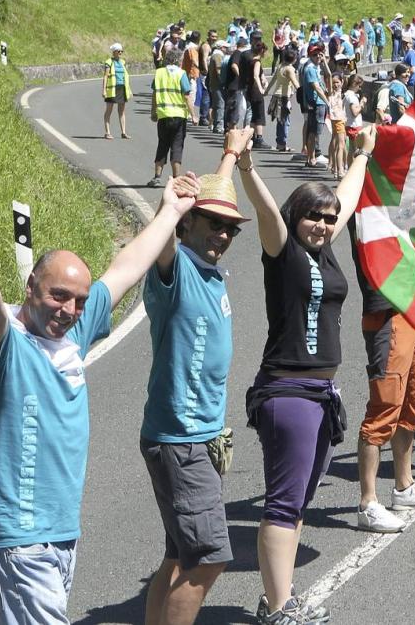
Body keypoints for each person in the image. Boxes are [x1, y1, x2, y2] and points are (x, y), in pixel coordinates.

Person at [0, 176, 201, 625]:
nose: (69, 310)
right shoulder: (9, 345)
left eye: (78, 301)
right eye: (58, 296)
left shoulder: (75, 331)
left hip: (59, 533)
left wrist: (170, 211)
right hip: (20, 535)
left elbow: (125, 269)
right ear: (31, 285)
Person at [237, 126, 371, 625]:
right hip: (288, 391)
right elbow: (268, 214)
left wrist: (362, 155)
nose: (322, 223)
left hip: (319, 393)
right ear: (298, 217)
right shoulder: (284, 251)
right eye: (313, 215)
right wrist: (247, 166)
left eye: (328, 218)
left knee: (296, 503)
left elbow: (348, 200)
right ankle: (277, 608)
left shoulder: (324, 247)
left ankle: (281, 597)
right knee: (283, 502)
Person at [141, 136, 252, 625]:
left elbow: (217, 194)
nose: (223, 235)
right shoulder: (177, 267)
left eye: (230, 229)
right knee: (208, 558)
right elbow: (162, 245)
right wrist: (171, 206)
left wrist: (229, 154)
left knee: (180, 556)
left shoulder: (209, 270)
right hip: (182, 438)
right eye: (214, 224)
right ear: (187, 223)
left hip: (198, 438)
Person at [351, 118, 415, 535]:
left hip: (409, 311)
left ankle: (405, 485)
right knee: (383, 409)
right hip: (385, 316)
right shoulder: (364, 207)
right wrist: (363, 151)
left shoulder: (394, 214)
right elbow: (354, 183)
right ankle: (367, 502)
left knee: (413, 404)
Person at [150, 48, 196, 188]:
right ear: (178, 60)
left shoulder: (159, 73)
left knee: (162, 144)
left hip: (163, 115)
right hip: (179, 116)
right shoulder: (181, 74)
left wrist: (153, 111)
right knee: (177, 146)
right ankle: (176, 179)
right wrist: (193, 115)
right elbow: (187, 96)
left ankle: (157, 177)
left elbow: (154, 94)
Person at [265, 48, 300, 152]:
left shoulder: (280, 66)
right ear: (294, 59)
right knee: (285, 121)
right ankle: (282, 143)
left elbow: (273, 80)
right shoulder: (289, 69)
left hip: (276, 95)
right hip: (283, 97)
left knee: (280, 121)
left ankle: (280, 142)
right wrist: (302, 92)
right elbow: (295, 82)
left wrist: (266, 91)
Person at [300, 43, 329, 168]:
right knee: (314, 132)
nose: (318, 56)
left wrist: (324, 62)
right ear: (309, 55)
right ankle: (312, 157)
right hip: (317, 103)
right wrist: (327, 101)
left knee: (313, 131)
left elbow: (328, 75)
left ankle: (310, 157)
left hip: (315, 103)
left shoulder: (313, 67)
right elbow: (316, 86)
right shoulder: (310, 69)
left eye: (319, 54)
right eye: (315, 54)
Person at [102, 43, 131, 139]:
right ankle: (107, 132)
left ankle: (123, 132)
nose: (120, 53)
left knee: (122, 111)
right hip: (112, 89)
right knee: (109, 110)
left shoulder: (123, 62)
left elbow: (125, 77)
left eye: (121, 51)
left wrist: (129, 90)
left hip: (122, 89)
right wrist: (104, 90)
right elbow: (105, 76)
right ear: (114, 52)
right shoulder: (109, 62)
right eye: (118, 51)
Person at [249, 41, 271, 149]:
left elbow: (260, 75)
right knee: (259, 114)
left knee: (254, 114)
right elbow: (255, 76)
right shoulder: (257, 62)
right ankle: (259, 138)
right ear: (262, 51)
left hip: (251, 90)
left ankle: (251, 136)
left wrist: (264, 81)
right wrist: (261, 88)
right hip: (256, 91)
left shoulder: (251, 61)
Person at [327, 74, 347, 179]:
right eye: (333, 82)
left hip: (340, 120)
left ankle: (335, 167)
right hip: (337, 120)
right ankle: (340, 169)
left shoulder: (343, 93)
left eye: (337, 82)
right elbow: (328, 74)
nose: (335, 84)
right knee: (341, 145)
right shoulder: (331, 93)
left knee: (338, 143)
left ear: (342, 82)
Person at [181, 31, 202, 124]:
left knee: (188, 93)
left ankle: (188, 112)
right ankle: (189, 113)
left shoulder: (188, 46)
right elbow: (193, 59)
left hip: (188, 72)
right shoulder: (192, 48)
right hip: (191, 74)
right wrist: (201, 67)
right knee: (191, 94)